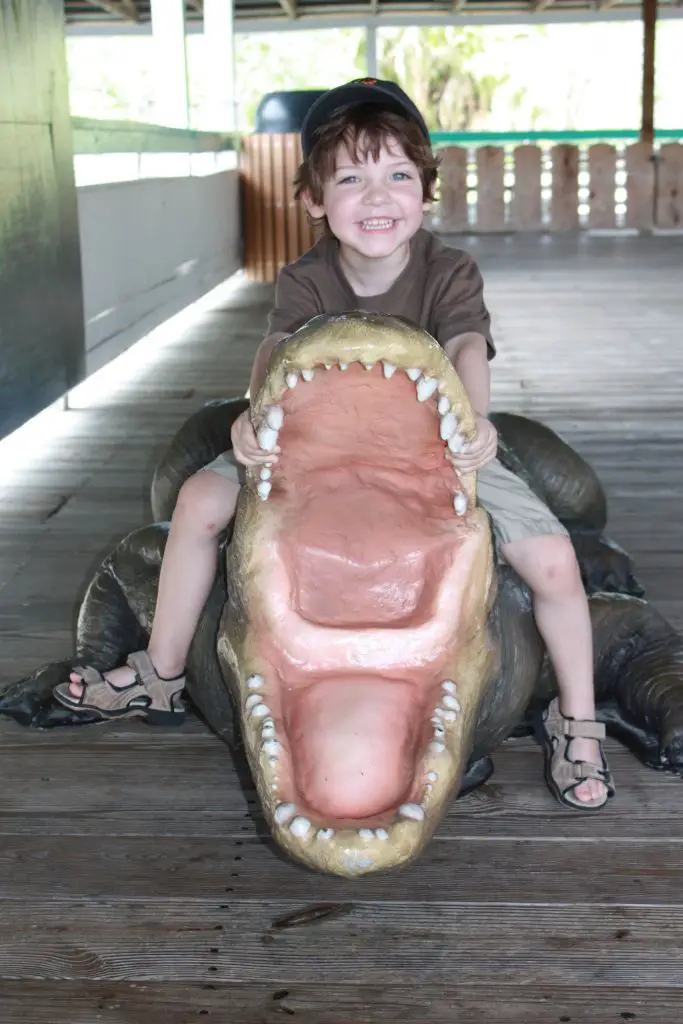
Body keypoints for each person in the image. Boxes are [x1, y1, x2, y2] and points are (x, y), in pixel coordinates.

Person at [54, 78, 613, 811]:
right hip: (310, 447)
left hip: (431, 448)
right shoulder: (306, 276)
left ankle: (576, 717)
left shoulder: (448, 271)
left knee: (551, 558)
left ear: (424, 190)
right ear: (315, 199)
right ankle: (160, 669)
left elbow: (467, 343)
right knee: (197, 501)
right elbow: (277, 347)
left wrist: (474, 424)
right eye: (350, 177)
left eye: (397, 176)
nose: (376, 197)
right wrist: (252, 419)